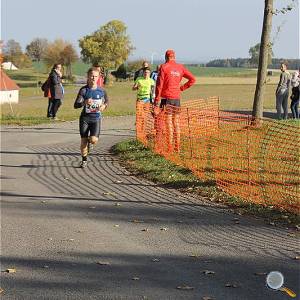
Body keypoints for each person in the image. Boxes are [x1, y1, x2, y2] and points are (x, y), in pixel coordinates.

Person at [154, 49, 196, 152]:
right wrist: (181, 88)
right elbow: (192, 79)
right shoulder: (180, 67)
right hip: (176, 99)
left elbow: (159, 85)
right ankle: (177, 147)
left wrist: (156, 100)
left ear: (165, 57)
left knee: (168, 124)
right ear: (174, 57)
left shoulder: (163, 67)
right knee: (176, 123)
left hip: (166, 99)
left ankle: (170, 148)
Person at [74, 67, 109, 168]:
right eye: (92, 76)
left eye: (96, 76)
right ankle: (84, 160)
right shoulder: (84, 90)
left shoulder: (101, 91)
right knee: (83, 141)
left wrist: (104, 106)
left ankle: (91, 142)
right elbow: (76, 105)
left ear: (99, 77)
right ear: (88, 76)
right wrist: (84, 102)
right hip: (85, 119)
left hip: (96, 119)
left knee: (94, 140)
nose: (94, 78)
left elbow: (107, 102)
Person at [132, 67, 155, 139]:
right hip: (140, 99)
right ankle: (139, 131)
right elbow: (133, 88)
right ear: (143, 73)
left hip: (147, 99)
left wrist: (153, 96)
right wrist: (136, 87)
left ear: (149, 73)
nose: (146, 74)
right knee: (140, 115)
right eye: (145, 72)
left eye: (148, 73)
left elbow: (153, 89)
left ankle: (143, 132)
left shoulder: (151, 80)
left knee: (145, 116)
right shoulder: (139, 79)